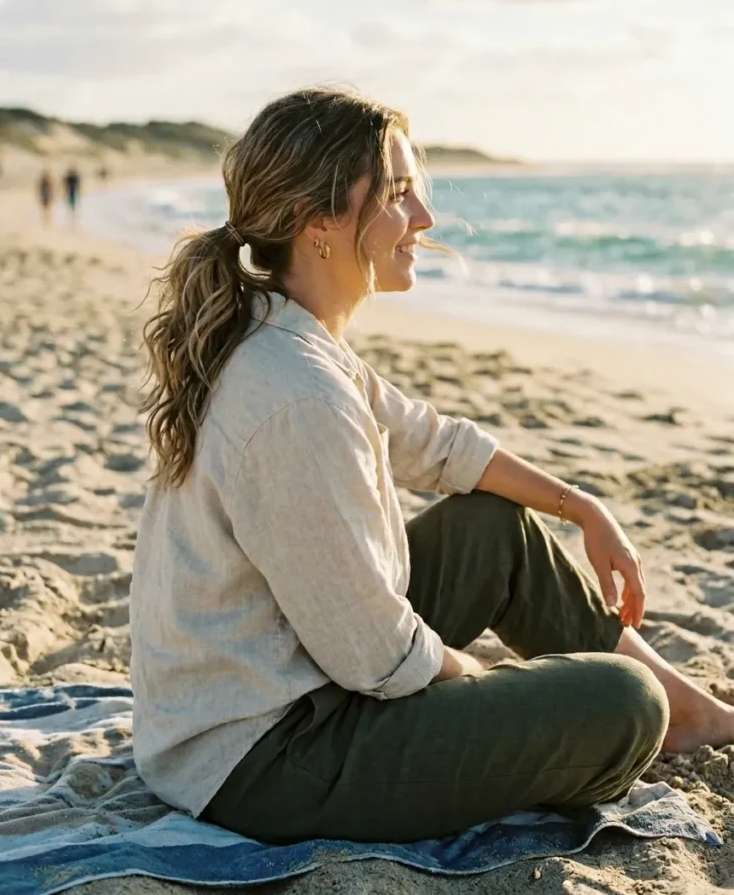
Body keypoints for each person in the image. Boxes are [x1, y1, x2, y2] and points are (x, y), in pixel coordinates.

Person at [130, 87, 734, 845]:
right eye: (400, 195)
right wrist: (490, 698)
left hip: (291, 686)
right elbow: (375, 654)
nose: (424, 220)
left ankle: (689, 714)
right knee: (621, 702)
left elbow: (437, 444)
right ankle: (658, 709)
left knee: (493, 526)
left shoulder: (288, 337)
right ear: (319, 224)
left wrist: (581, 507)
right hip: (262, 758)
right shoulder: (296, 396)